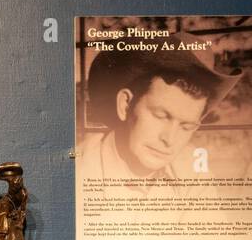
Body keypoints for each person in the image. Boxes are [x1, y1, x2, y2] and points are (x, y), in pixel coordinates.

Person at [79, 46, 242, 183]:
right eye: (160, 116)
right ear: (125, 105)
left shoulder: (194, 170)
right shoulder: (77, 173)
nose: (169, 140)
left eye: (186, 126)